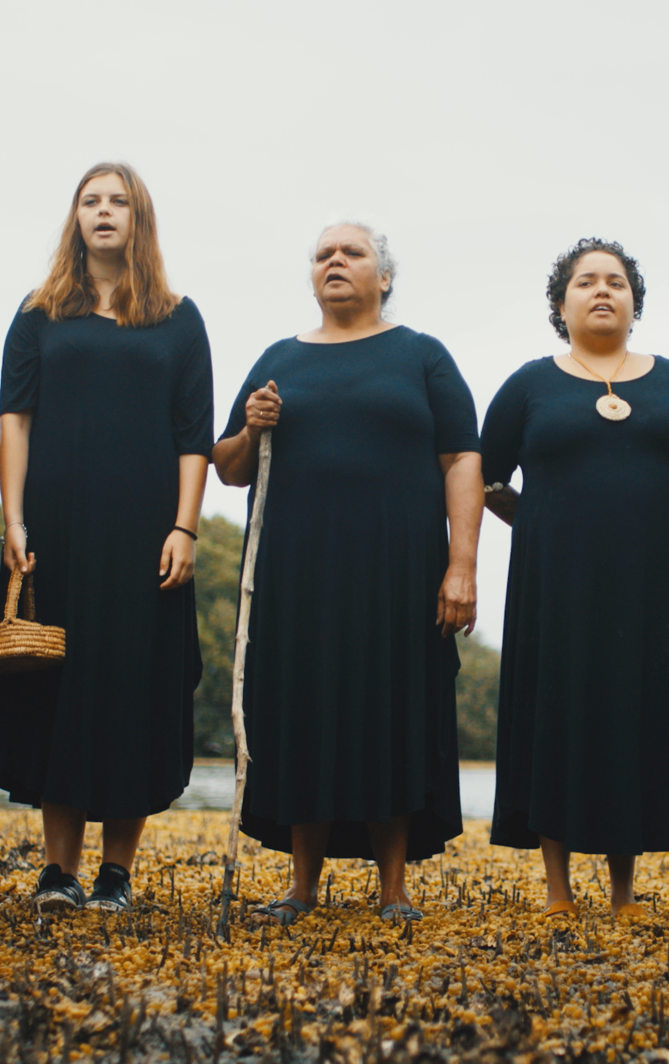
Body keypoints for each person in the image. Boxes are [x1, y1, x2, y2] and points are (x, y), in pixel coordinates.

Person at [211, 222, 482, 926]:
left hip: (398, 570)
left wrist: (461, 565)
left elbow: (462, 458)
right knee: (302, 710)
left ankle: (394, 889)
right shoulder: (279, 359)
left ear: (384, 277)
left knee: (392, 711)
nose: (334, 261)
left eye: (351, 252)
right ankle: (301, 888)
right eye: (323, 254)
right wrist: (252, 426)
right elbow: (230, 467)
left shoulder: (421, 355)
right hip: (296, 572)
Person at [0, 162, 213, 914]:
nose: (104, 211)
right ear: (76, 217)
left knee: (134, 686)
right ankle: (58, 870)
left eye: (118, 201)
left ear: (139, 218)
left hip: (147, 530)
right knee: (56, 683)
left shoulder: (178, 317)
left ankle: (116, 874)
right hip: (54, 525)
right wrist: (14, 519)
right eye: (91, 201)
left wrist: (185, 525)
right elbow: (15, 420)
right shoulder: (39, 312)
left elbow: (194, 436)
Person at [481, 238, 669, 919]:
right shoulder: (530, 384)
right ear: (561, 305)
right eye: (585, 282)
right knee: (556, 711)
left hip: (651, 583)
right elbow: (484, 473)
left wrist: (647, 521)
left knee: (634, 713)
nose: (602, 291)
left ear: (635, 302)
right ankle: (557, 890)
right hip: (554, 583)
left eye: (616, 281)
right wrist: (540, 523)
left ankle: (623, 891)